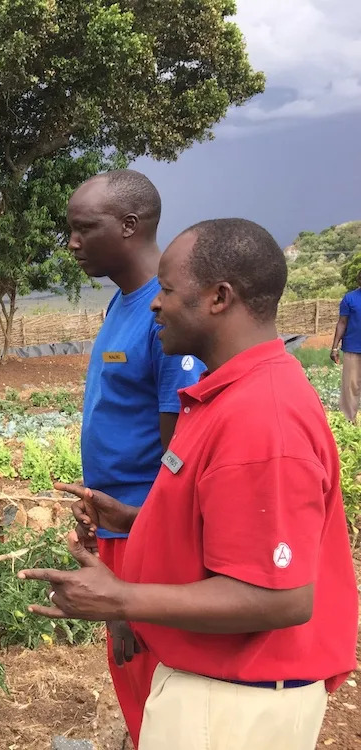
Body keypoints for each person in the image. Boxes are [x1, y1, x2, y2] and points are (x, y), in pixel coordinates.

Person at [20, 218, 359, 750]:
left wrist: (122, 598)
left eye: (169, 291)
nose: (155, 304)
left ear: (219, 298)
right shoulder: (228, 394)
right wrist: (136, 520)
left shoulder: (261, 419)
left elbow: (280, 598)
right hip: (220, 688)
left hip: (235, 705)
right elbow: (223, 523)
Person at [67, 169, 205, 747]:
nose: (71, 243)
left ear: (128, 226)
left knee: (151, 669)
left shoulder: (165, 319)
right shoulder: (121, 305)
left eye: (82, 229)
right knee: (131, 679)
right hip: (116, 523)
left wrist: (131, 583)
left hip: (146, 531)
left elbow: (180, 458)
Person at [331, 269, 361, 421]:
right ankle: (350, 420)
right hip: (353, 349)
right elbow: (342, 323)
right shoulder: (349, 299)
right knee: (351, 386)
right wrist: (335, 347)